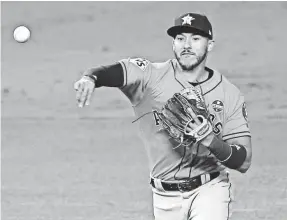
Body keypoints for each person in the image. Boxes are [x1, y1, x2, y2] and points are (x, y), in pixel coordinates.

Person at [74, 12, 252, 220]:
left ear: (209, 45)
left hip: (210, 189)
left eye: (195, 39)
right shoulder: (150, 76)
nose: (187, 45)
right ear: (173, 44)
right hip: (163, 197)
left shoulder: (228, 94)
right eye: (180, 38)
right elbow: (115, 71)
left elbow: (244, 161)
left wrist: (211, 141)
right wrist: (91, 78)